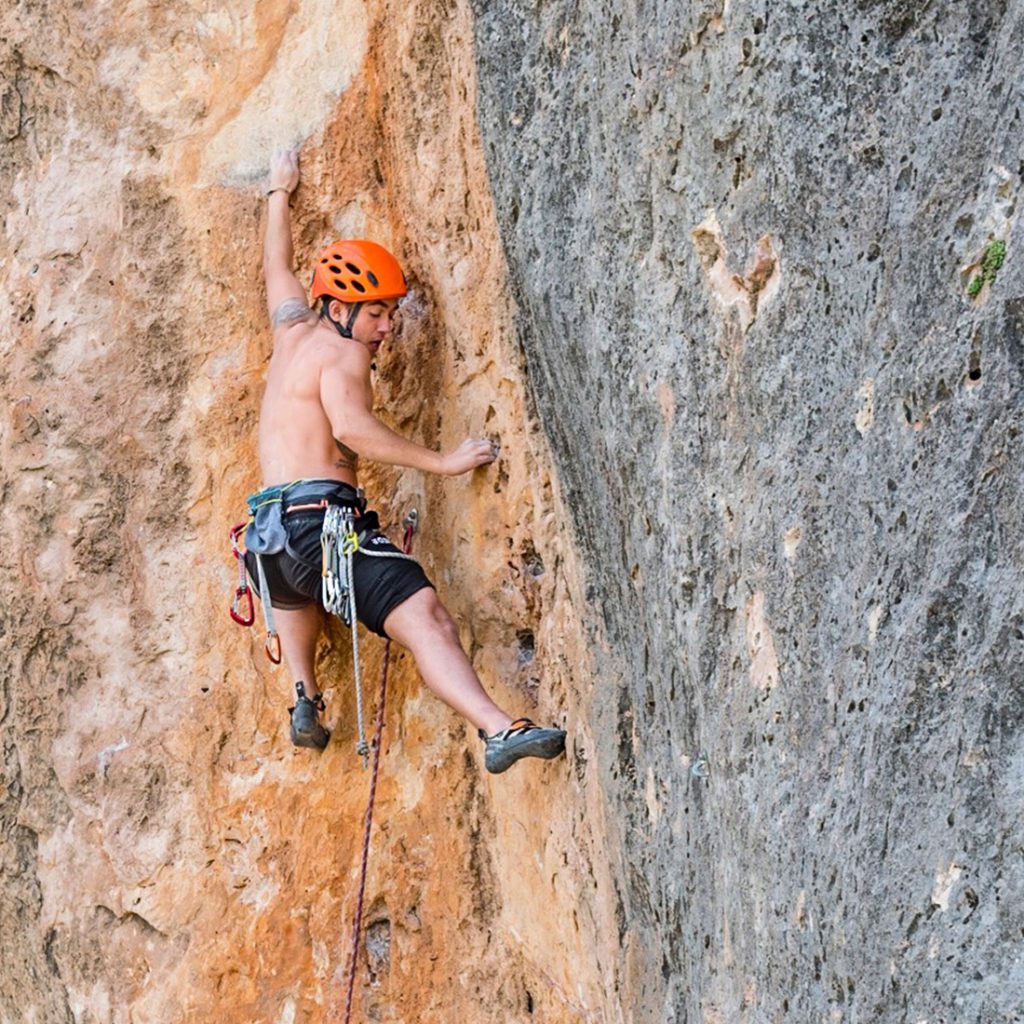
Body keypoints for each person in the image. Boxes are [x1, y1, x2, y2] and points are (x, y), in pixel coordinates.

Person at [240, 148, 566, 774]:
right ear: (340, 310)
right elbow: (355, 430)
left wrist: (278, 193)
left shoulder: (291, 332)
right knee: (427, 617)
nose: (387, 325)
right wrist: (442, 463)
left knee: (297, 592)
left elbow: (274, 269)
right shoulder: (344, 356)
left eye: (390, 310)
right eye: (377, 312)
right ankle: (499, 728)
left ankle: (303, 696)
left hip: (266, 543)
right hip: (318, 524)